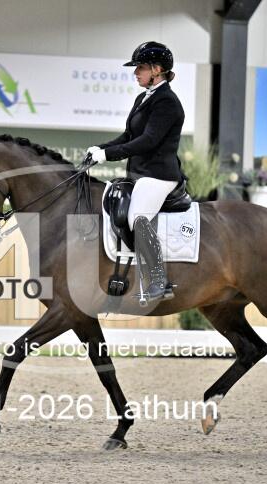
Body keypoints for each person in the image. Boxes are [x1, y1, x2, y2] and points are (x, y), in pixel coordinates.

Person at [86, 41, 185, 303]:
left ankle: (159, 280)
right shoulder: (143, 98)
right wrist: (101, 148)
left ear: (157, 70)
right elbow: (129, 136)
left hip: (159, 175)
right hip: (141, 174)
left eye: (140, 67)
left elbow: (148, 141)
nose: (135, 73)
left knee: (137, 216)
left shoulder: (167, 102)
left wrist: (109, 155)